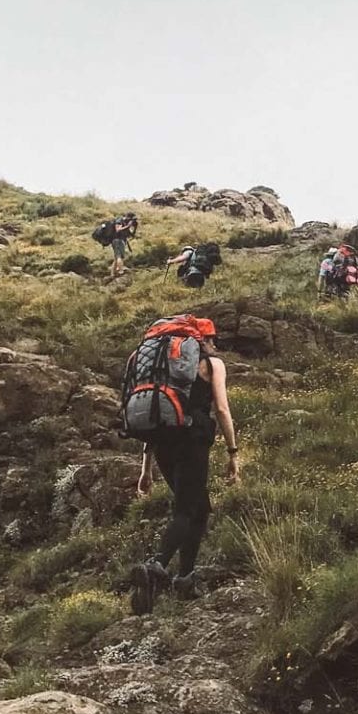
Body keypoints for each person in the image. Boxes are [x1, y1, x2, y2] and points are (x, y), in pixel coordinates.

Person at [127, 317, 240, 613]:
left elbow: (157, 414)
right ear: (204, 339)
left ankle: (185, 580)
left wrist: (145, 468)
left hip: (163, 443)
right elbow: (222, 409)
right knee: (187, 510)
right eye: (212, 338)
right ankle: (156, 567)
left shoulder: (165, 369)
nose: (215, 344)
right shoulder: (212, 365)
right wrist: (233, 453)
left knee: (199, 509)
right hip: (193, 441)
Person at [94, 212, 139, 281]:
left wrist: (134, 228)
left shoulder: (125, 222)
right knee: (119, 257)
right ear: (128, 217)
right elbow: (118, 230)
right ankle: (121, 271)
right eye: (131, 219)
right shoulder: (119, 220)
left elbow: (130, 234)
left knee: (116, 258)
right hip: (117, 240)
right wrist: (128, 226)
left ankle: (112, 274)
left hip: (120, 240)